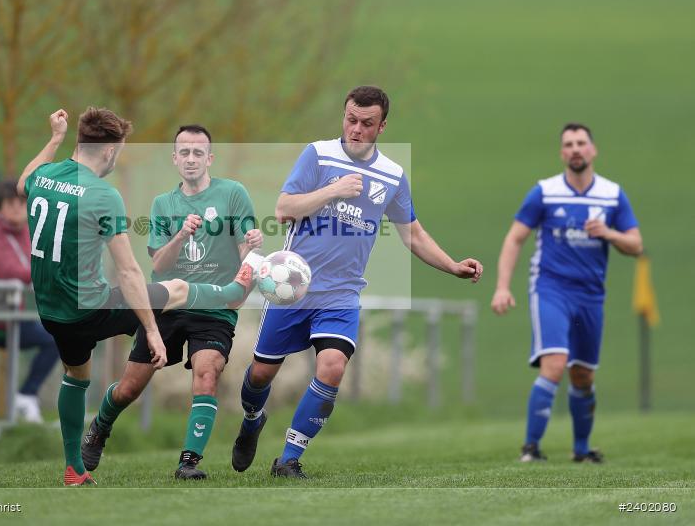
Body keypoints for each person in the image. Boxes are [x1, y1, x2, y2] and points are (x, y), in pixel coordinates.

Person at [231, 85, 483, 478]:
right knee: (261, 373)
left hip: (342, 293)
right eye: (351, 119)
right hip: (292, 287)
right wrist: (334, 189)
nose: (356, 129)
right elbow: (283, 209)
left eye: (367, 123)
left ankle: (289, 458)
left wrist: (452, 265)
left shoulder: (392, 176)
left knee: (332, 368)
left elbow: (413, 234)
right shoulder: (318, 155)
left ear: (382, 127)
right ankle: (252, 419)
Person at [17, 107, 259, 486]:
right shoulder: (104, 195)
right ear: (110, 151)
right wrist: (151, 329)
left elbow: (23, 182)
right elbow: (130, 272)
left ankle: (74, 468)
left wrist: (54, 139)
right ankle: (232, 291)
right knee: (176, 291)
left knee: (76, 376)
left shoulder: (45, 176)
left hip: (51, 311)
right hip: (92, 306)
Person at [81, 124, 263, 480]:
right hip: (168, 304)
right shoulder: (163, 204)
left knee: (207, 372)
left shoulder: (233, 194)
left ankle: (188, 463)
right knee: (130, 388)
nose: (191, 158)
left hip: (213, 306)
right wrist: (181, 235)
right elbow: (160, 264)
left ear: (210, 158)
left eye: (198, 153)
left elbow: (245, 253)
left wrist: (252, 244)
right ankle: (100, 427)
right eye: (185, 152)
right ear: (175, 159)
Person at [490, 123, 642, 463]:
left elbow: (635, 245)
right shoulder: (544, 192)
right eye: (569, 144)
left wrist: (609, 234)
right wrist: (502, 287)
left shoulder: (612, 194)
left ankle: (582, 450)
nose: (575, 149)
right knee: (555, 364)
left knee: (583, 374)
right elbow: (515, 238)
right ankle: (531, 448)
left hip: (591, 295)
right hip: (551, 289)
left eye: (581, 143)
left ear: (593, 150)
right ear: (562, 153)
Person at [0, 180, 60, 423]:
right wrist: (45, 272)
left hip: (16, 318)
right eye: (10, 203)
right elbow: (8, 271)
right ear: (0, 207)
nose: (16, 208)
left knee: (55, 341)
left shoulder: (29, 231)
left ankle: (26, 396)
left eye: (21, 203)